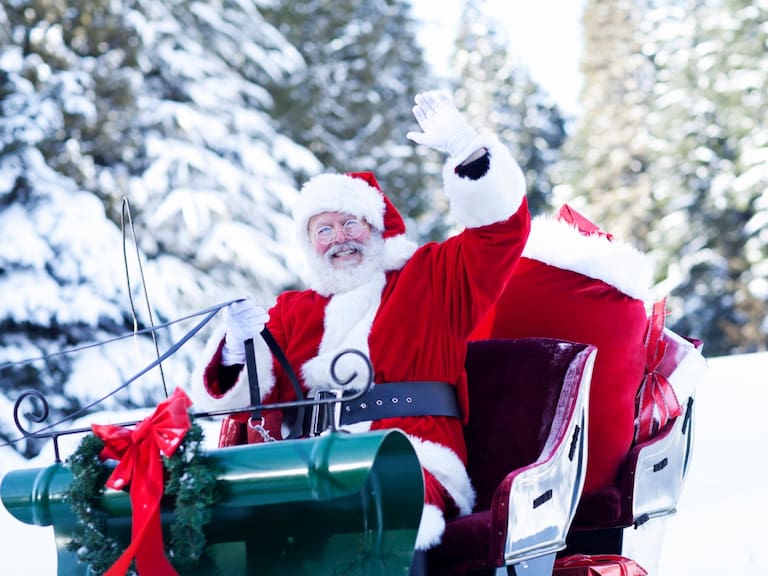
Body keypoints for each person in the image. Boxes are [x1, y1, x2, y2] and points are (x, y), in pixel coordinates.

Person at [193, 90, 531, 550]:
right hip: (304, 462)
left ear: (376, 228)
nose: (339, 239)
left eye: (351, 224)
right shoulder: (293, 311)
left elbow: (498, 235)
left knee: (373, 498)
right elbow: (253, 400)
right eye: (324, 230)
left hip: (413, 458)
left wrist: (467, 152)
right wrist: (235, 351)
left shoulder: (428, 278)